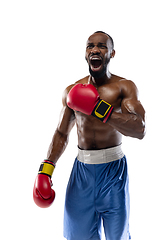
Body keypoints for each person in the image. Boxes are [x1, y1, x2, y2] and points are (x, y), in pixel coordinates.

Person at [33, 31, 146, 240]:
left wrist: (97, 108)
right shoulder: (72, 90)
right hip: (81, 174)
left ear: (112, 53)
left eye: (102, 46)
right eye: (90, 46)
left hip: (113, 173)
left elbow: (140, 128)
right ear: (86, 54)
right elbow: (61, 133)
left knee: (117, 237)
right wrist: (45, 170)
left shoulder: (123, 87)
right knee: (77, 236)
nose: (95, 49)